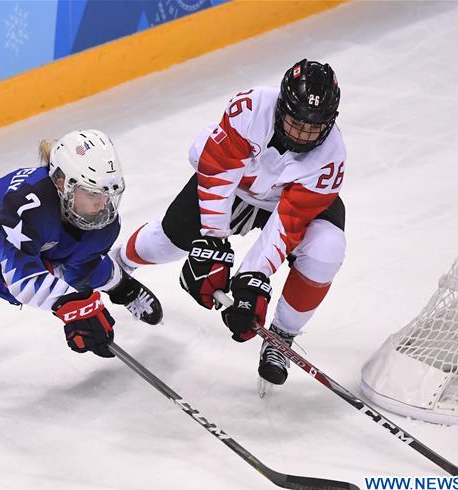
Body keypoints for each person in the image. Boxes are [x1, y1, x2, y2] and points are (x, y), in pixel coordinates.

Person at [110, 59, 346, 387]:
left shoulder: (330, 158)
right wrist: (213, 240)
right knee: (169, 240)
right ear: (281, 107)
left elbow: (288, 223)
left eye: (314, 127)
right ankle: (117, 265)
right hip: (236, 187)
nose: (304, 135)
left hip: (284, 204)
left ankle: (281, 337)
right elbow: (218, 173)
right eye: (297, 122)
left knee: (327, 249)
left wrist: (252, 278)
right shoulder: (250, 110)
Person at [0, 129, 163, 364]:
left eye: (109, 194)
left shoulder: (99, 219)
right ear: (61, 183)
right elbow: (21, 278)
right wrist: (76, 307)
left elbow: (84, 264)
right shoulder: (25, 204)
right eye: (93, 193)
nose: (102, 204)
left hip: (32, 246)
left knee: (78, 255)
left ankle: (120, 286)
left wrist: (121, 288)